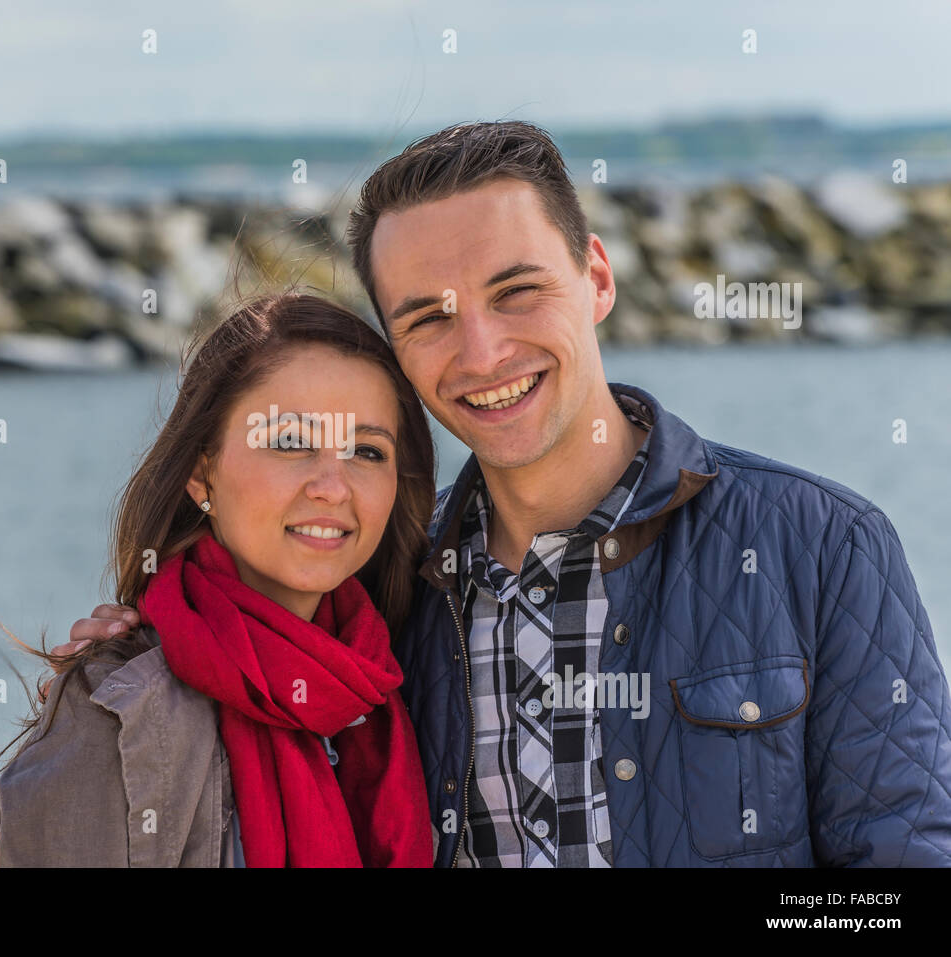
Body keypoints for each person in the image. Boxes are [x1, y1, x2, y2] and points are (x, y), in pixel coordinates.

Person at [66, 120, 951, 866]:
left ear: (596, 279)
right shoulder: (384, 598)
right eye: (430, 317)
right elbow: (254, 650)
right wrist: (143, 637)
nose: (482, 352)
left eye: (517, 290)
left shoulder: (822, 546)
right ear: (399, 350)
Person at [0, 293, 437, 867]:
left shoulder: (409, 667)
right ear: (203, 473)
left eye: (367, 451)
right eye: (290, 442)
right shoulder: (120, 714)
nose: (333, 486)